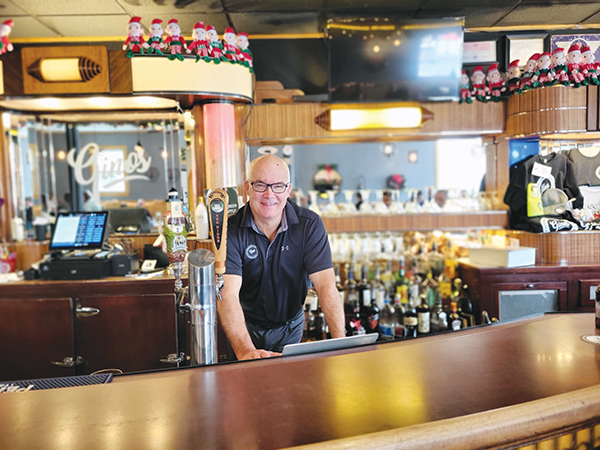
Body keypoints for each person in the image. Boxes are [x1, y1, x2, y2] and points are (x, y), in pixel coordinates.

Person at [220, 155, 345, 360]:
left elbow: (326, 286)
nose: (269, 194)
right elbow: (228, 293)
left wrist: (341, 344)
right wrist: (244, 351)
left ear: (288, 189)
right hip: (244, 325)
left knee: (287, 388)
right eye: (260, 185)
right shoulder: (230, 230)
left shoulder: (309, 225)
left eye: (278, 186)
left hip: (290, 326)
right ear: (247, 188)